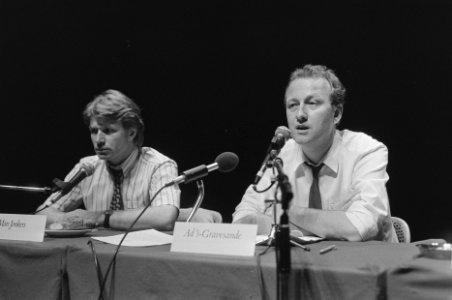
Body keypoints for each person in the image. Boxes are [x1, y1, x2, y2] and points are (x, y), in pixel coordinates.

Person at [232, 64, 397, 242]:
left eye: (312, 103)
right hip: (304, 264)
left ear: (337, 113)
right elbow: (242, 220)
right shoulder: (283, 153)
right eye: (293, 105)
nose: (300, 115)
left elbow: (358, 228)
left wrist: (286, 212)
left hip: (368, 266)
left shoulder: (366, 151)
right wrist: (323, 226)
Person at [37, 89, 220, 231]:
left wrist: (100, 217)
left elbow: (164, 217)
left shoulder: (158, 165)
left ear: (131, 132)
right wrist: (67, 219)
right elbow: (42, 213)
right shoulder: (88, 167)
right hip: (94, 255)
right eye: (94, 131)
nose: (99, 140)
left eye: (108, 131)